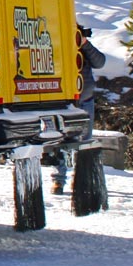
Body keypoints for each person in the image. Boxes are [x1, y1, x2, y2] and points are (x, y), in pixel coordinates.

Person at [54, 25, 107, 194]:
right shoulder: (56, 46)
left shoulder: (83, 49)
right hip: (63, 101)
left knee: (84, 142)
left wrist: (84, 44)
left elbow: (100, 62)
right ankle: (59, 180)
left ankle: (81, 180)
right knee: (59, 142)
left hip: (85, 100)